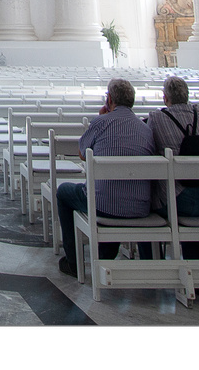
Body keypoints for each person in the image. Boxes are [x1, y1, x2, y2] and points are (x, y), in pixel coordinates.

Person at [55, 78, 155, 278]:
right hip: (140, 207)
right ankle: (129, 257)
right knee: (117, 192)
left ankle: (74, 262)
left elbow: (83, 153)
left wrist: (100, 118)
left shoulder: (101, 122)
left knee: (64, 192)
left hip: (103, 205)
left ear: (109, 99)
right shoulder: (146, 129)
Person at [146, 76, 199, 257]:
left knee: (150, 199)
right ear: (187, 95)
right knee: (198, 205)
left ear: (165, 97)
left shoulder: (156, 117)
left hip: (181, 198)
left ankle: (158, 261)